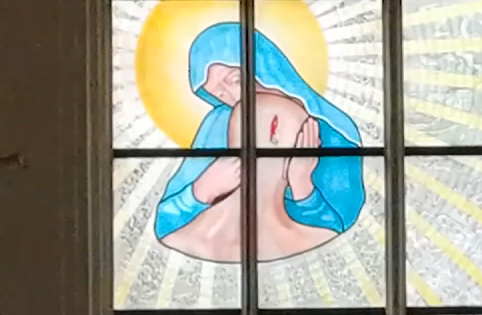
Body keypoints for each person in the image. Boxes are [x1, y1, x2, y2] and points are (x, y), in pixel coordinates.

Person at [153, 22, 364, 262]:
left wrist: (302, 187)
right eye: (219, 94)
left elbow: (337, 234)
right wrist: (202, 190)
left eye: (234, 80)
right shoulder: (218, 123)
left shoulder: (337, 135)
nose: (234, 97)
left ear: (264, 68)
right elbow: (166, 224)